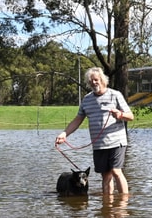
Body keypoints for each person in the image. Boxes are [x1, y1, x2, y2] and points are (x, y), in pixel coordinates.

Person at [55, 67, 134, 196]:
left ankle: (123, 206)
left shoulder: (115, 95)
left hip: (117, 141)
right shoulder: (87, 99)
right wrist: (64, 134)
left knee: (116, 171)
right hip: (99, 144)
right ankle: (108, 205)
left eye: (96, 80)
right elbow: (78, 119)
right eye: (91, 81)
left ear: (102, 80)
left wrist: (120, 115)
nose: (93, 83)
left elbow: (130, 116)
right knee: (106, 175)